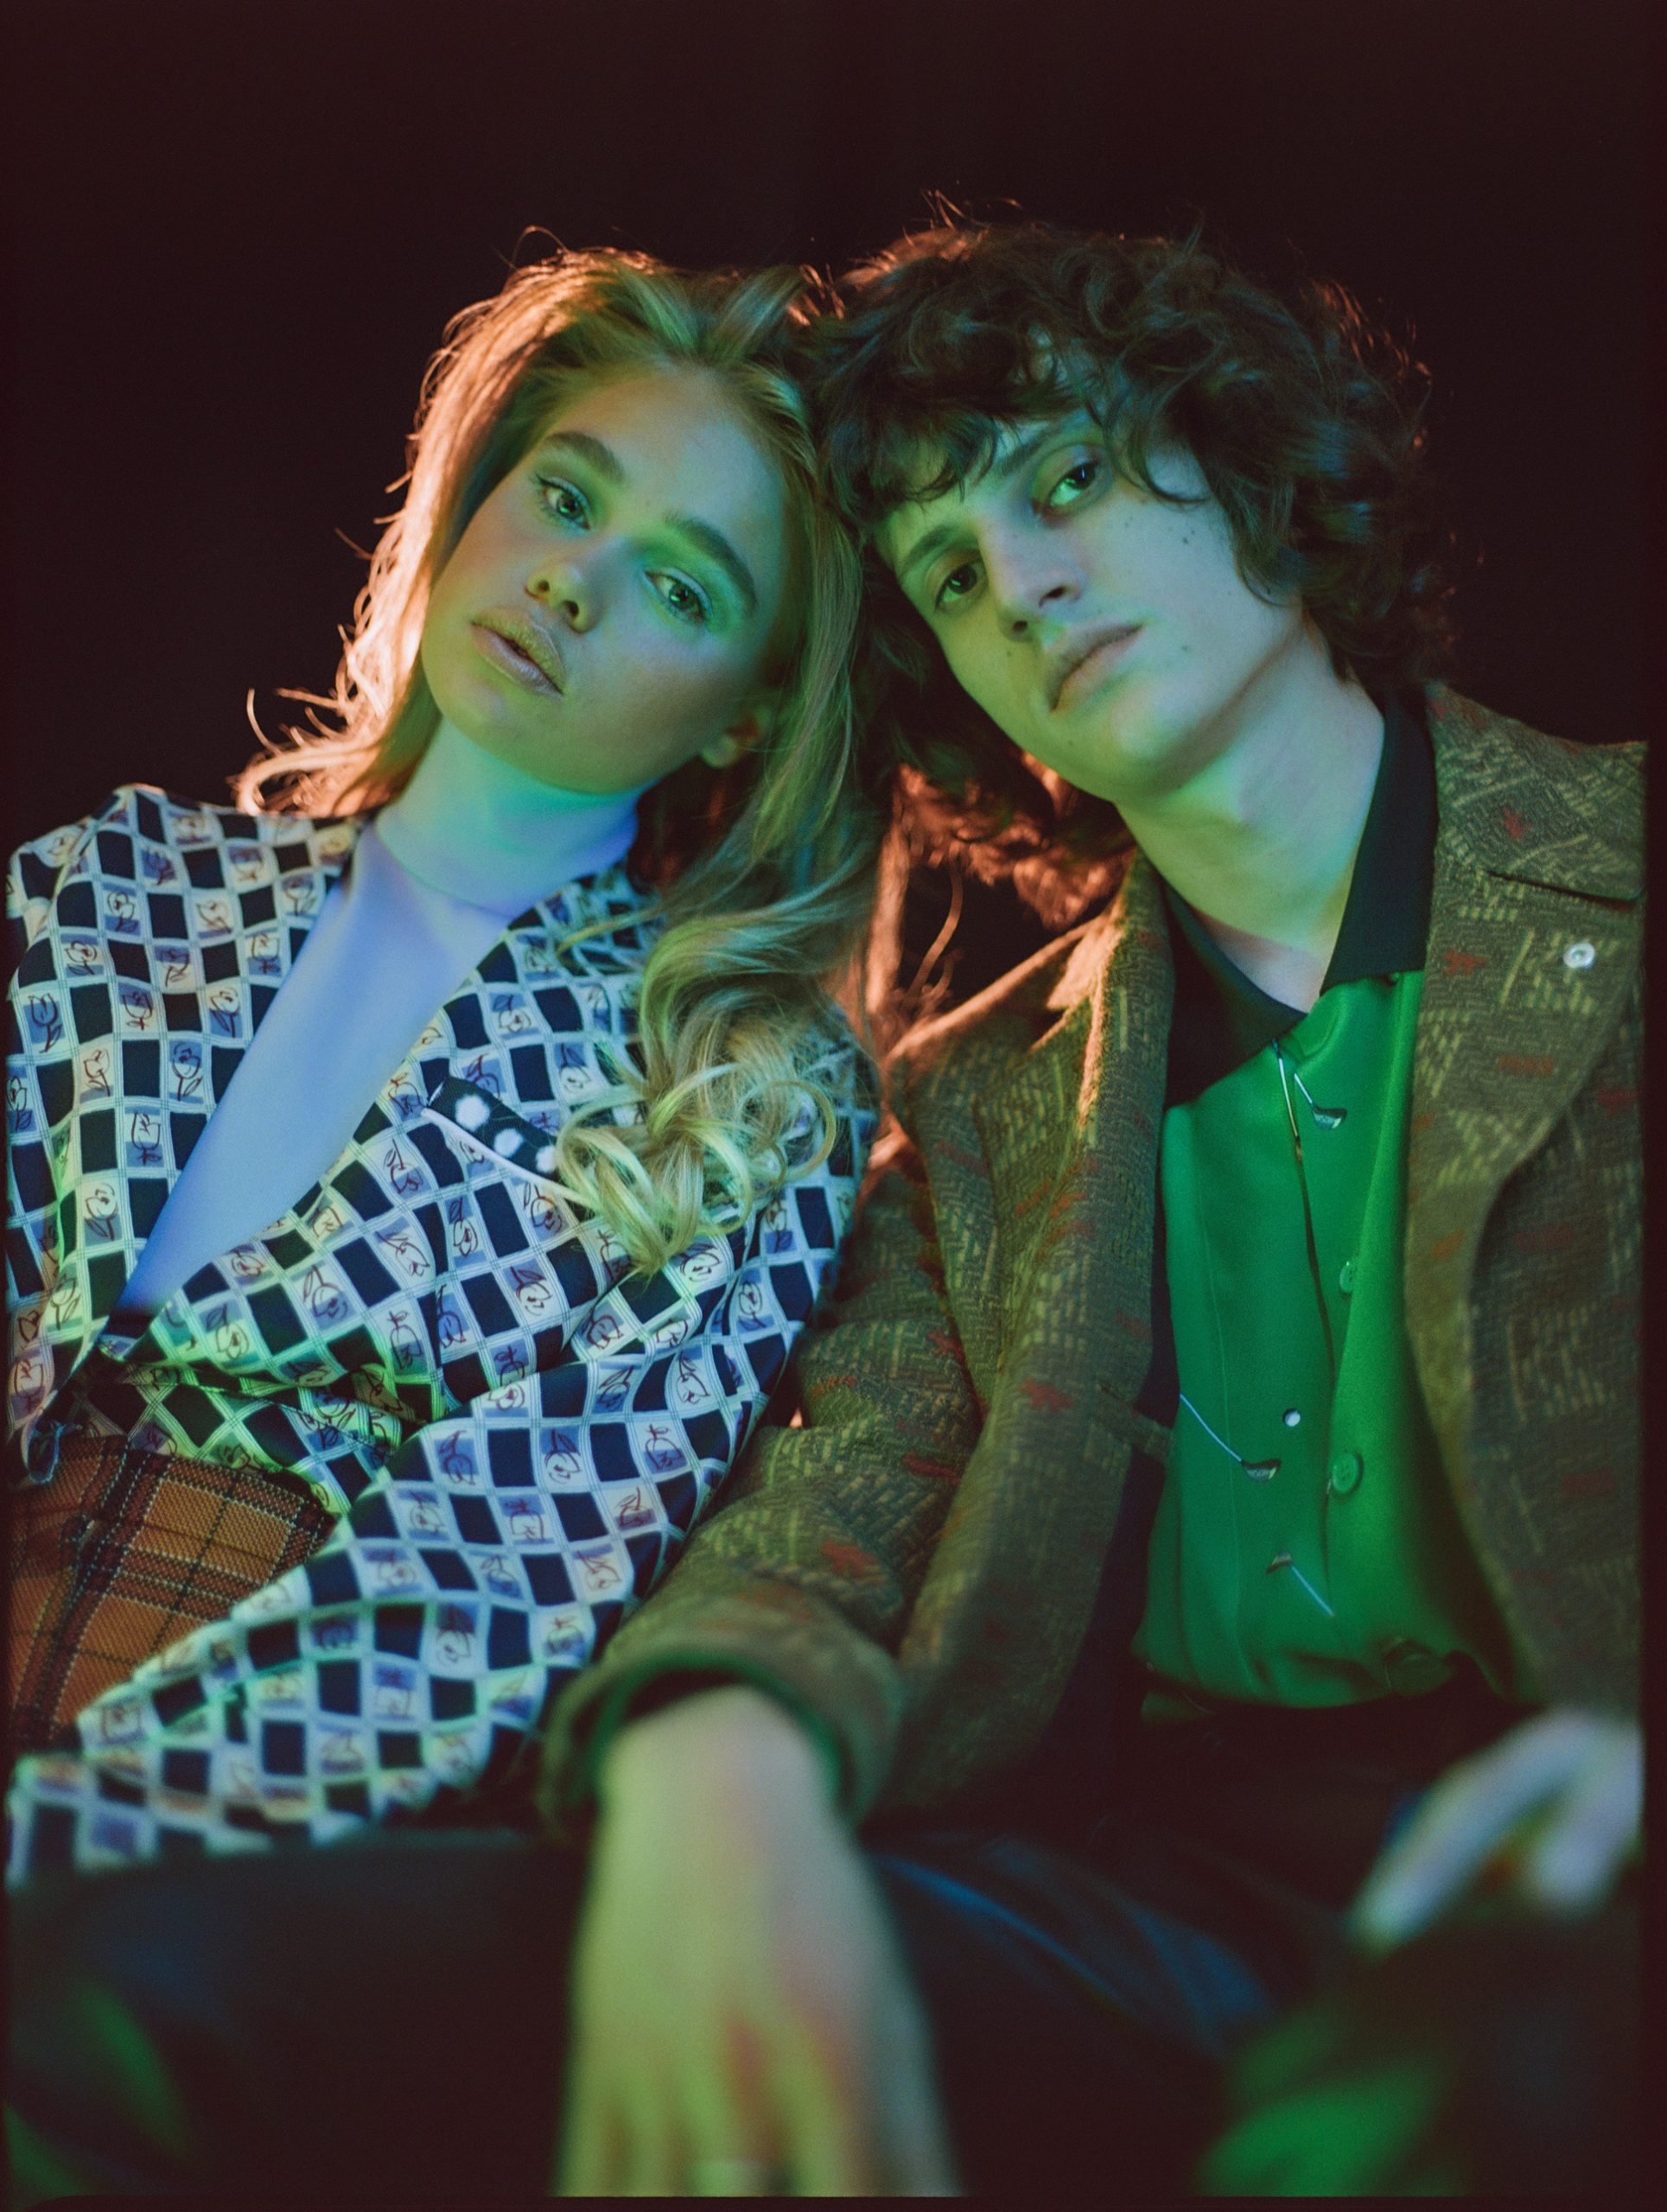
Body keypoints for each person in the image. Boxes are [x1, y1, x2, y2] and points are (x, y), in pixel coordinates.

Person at [6, 222, 1639, 2202]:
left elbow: (525, 1534)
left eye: (1066, 479)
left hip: (1570, 1873)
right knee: (116, 2004)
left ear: (1251, 463)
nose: (1018, 580)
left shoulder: (1615, 873)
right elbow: (833, 1505)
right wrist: (712, 1746)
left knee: (1484, 2089)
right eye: (946, 569)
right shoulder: (980, 1095)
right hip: (1134, 1897)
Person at [4, 247, 883, 1884]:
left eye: (682, 587)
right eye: (567, 497)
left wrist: (73, 1849)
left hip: (254, 1845)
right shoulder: (107, 888)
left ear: (749, 718)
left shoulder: (741, 1091)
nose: (573, 582)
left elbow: (500, 1582)